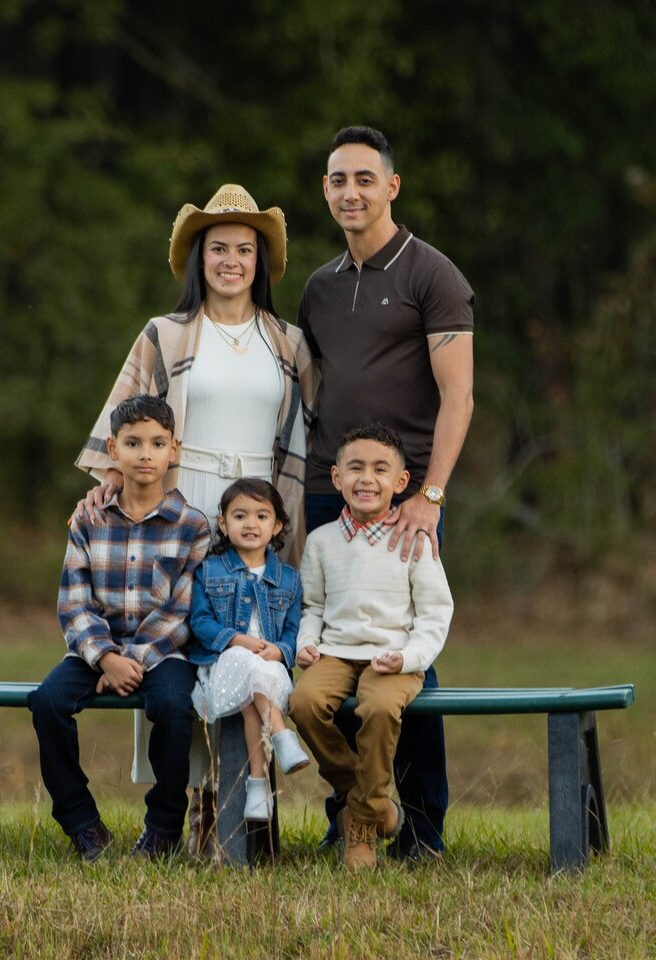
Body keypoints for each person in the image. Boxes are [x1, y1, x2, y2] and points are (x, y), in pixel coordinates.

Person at [74, 184, 317, 853]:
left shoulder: (288, 342)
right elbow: (123, 430)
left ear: (261, 261)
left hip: (254, 509)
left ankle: (242, 813)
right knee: (178, 650)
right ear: (198, 259)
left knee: (244, 645)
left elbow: (301, 443)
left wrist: (284, 519)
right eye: (219, 249)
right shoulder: (167, 333)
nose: (232, 261)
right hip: (180, 499)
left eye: (245, 249)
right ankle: (183, 809)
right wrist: (109, 488)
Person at [296, 125, 474, 859]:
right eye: (338, 180)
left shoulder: (431, 275)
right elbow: (310, 390)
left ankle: (422, 828)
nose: (351, 192)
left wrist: (429, 495)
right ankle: (357, 818)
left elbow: (458, 394)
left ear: (391, 187)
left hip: (406, 500)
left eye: (365, 178)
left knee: (407, 665)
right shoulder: (320, 286)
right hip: (326, 492)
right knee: (327, 666)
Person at [28, 395, 211, 862]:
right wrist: (105, 657)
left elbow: (183, 610)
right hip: (96, 651)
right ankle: (82, 824)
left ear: (175, 450)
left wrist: (135, 660)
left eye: (156, 443)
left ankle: (163, 828)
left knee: (173, 706)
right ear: (113, 449)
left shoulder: (192, 526)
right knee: (47, 701)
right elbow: (73, 599)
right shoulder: (89, 519)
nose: (145, 454)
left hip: (162, 653)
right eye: (132, 443)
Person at [289, 423, 453, 869]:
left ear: (401, 482)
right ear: (336, 477)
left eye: (380, 469)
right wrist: (307, 643)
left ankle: (360, 824)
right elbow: (313, 606)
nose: (367, 478)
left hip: (394, 659)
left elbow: (436, 613)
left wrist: (409, 657)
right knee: (303, 701)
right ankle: (375, 803)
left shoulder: (415, 539)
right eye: (355, 468)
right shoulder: (321, 542)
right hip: (337, 653)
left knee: (379, 709)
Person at [188, 478, 310, 822]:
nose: (251, 524)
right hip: (222, 665)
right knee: (243, 662)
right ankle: (281, 736)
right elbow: (200, 621)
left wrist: (280, 650)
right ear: (224, 524)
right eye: (240, 516)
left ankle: (258, 786)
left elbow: (292, 630)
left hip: (268, 670)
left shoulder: (289, 578)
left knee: (256, 683)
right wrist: (236, 640)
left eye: (261, 516)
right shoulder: (209, 571)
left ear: (277, 525)